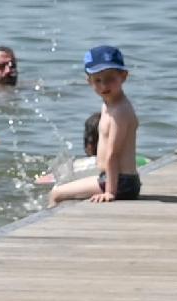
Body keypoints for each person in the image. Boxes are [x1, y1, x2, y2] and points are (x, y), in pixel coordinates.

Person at [49, 46, 141, 203]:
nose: (104, 86)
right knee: (67, 187)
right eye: (98, 80)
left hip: (121, 183)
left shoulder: (120, 111)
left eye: (110, 79)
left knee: (56, 194)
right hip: (114, 178)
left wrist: (110, 192)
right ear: (89, 81)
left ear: (124, 76)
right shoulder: (109, 104)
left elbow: (114, 153)